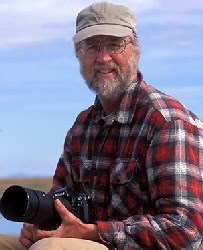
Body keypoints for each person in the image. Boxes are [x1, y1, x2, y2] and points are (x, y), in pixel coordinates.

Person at [0, 1, 203, 249]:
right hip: (89, 242)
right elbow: (58, 203)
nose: (103, 57)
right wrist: (38, 225)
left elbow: (186, 231)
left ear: (135, 51)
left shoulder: (167, 123)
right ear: (78, 54)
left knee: (50, 248)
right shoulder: (82, 127)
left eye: (115, 44)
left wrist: (94, 233)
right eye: (92, 46)